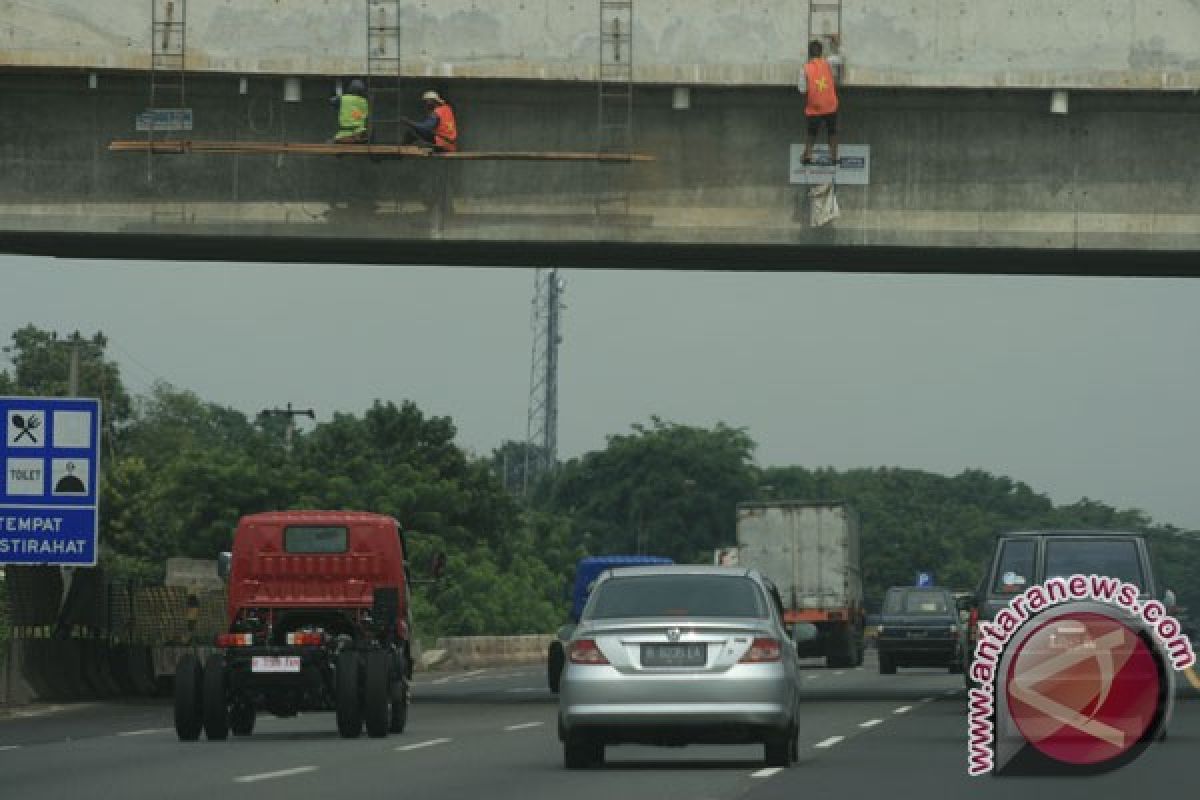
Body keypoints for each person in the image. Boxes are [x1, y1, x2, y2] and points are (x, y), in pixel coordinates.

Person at [798, 38, 840, 166]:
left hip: (814, 107)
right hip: (830, 105)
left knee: (811, 133)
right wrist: (836, 45)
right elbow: (840, 59)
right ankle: (834, 156)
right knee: (832, 131)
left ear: (810, 54)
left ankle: (808, 155)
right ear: (821, 53)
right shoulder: (828, 63)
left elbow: (802, 89)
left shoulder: (805, 69)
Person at [330, 79, 369, 144]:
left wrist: (337, 96)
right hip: (360, 133)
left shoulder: (343, 98)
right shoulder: (364, 101)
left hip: (345, 133)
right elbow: (365, 116)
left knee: (332, 142)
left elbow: (331, 101)